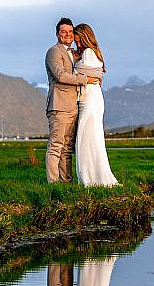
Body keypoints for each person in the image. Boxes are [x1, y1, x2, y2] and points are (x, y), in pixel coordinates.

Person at [45, 17, 100, 183]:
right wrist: (85, 79)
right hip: (59, 107)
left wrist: (97, 75)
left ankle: (67, 182)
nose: (67, 35)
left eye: (70, 32)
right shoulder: (54, 52)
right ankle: (53, 184)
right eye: (64, 32)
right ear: (57, 34)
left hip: (73, 106)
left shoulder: (73, 54)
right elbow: (60, 76)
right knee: (56, 146)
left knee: (67, 149)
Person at [72, 23, 118, 186]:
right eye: (75, 42)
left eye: (79, 41)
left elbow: (76, 73)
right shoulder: (89, 53)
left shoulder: (90, 53)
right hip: (90, 99)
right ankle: (93, 177)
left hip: (90, 101)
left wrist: (74, 61)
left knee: (88, 140)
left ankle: (92, 179)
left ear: (85, 37)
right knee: (89, 139)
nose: (77, 45)